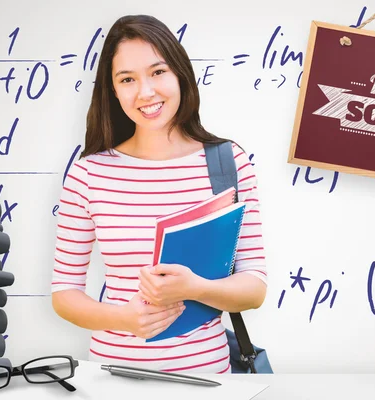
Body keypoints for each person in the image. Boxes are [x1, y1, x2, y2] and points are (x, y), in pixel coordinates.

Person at [50, 15, 267, 374]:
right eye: (127, 79)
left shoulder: (229, 162)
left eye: (157, 72)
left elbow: (254, 286)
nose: (146, 92)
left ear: (180, 74)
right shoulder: (89, 173)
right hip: (114, 378)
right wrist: (122, 319)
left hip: (208, 380)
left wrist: (196, 287)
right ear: (113, 90)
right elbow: (64, 293)